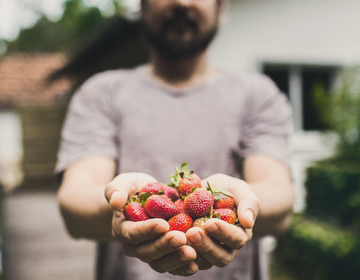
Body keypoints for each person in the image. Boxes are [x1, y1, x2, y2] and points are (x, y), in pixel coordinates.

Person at [56, 0, 294, 279]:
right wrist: (123, 206)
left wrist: (234, 200)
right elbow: (74, 204)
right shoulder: (101, 93)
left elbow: (281, 202)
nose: (182, 2)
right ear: (142, 5)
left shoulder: (258, 95)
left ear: (220, 6)